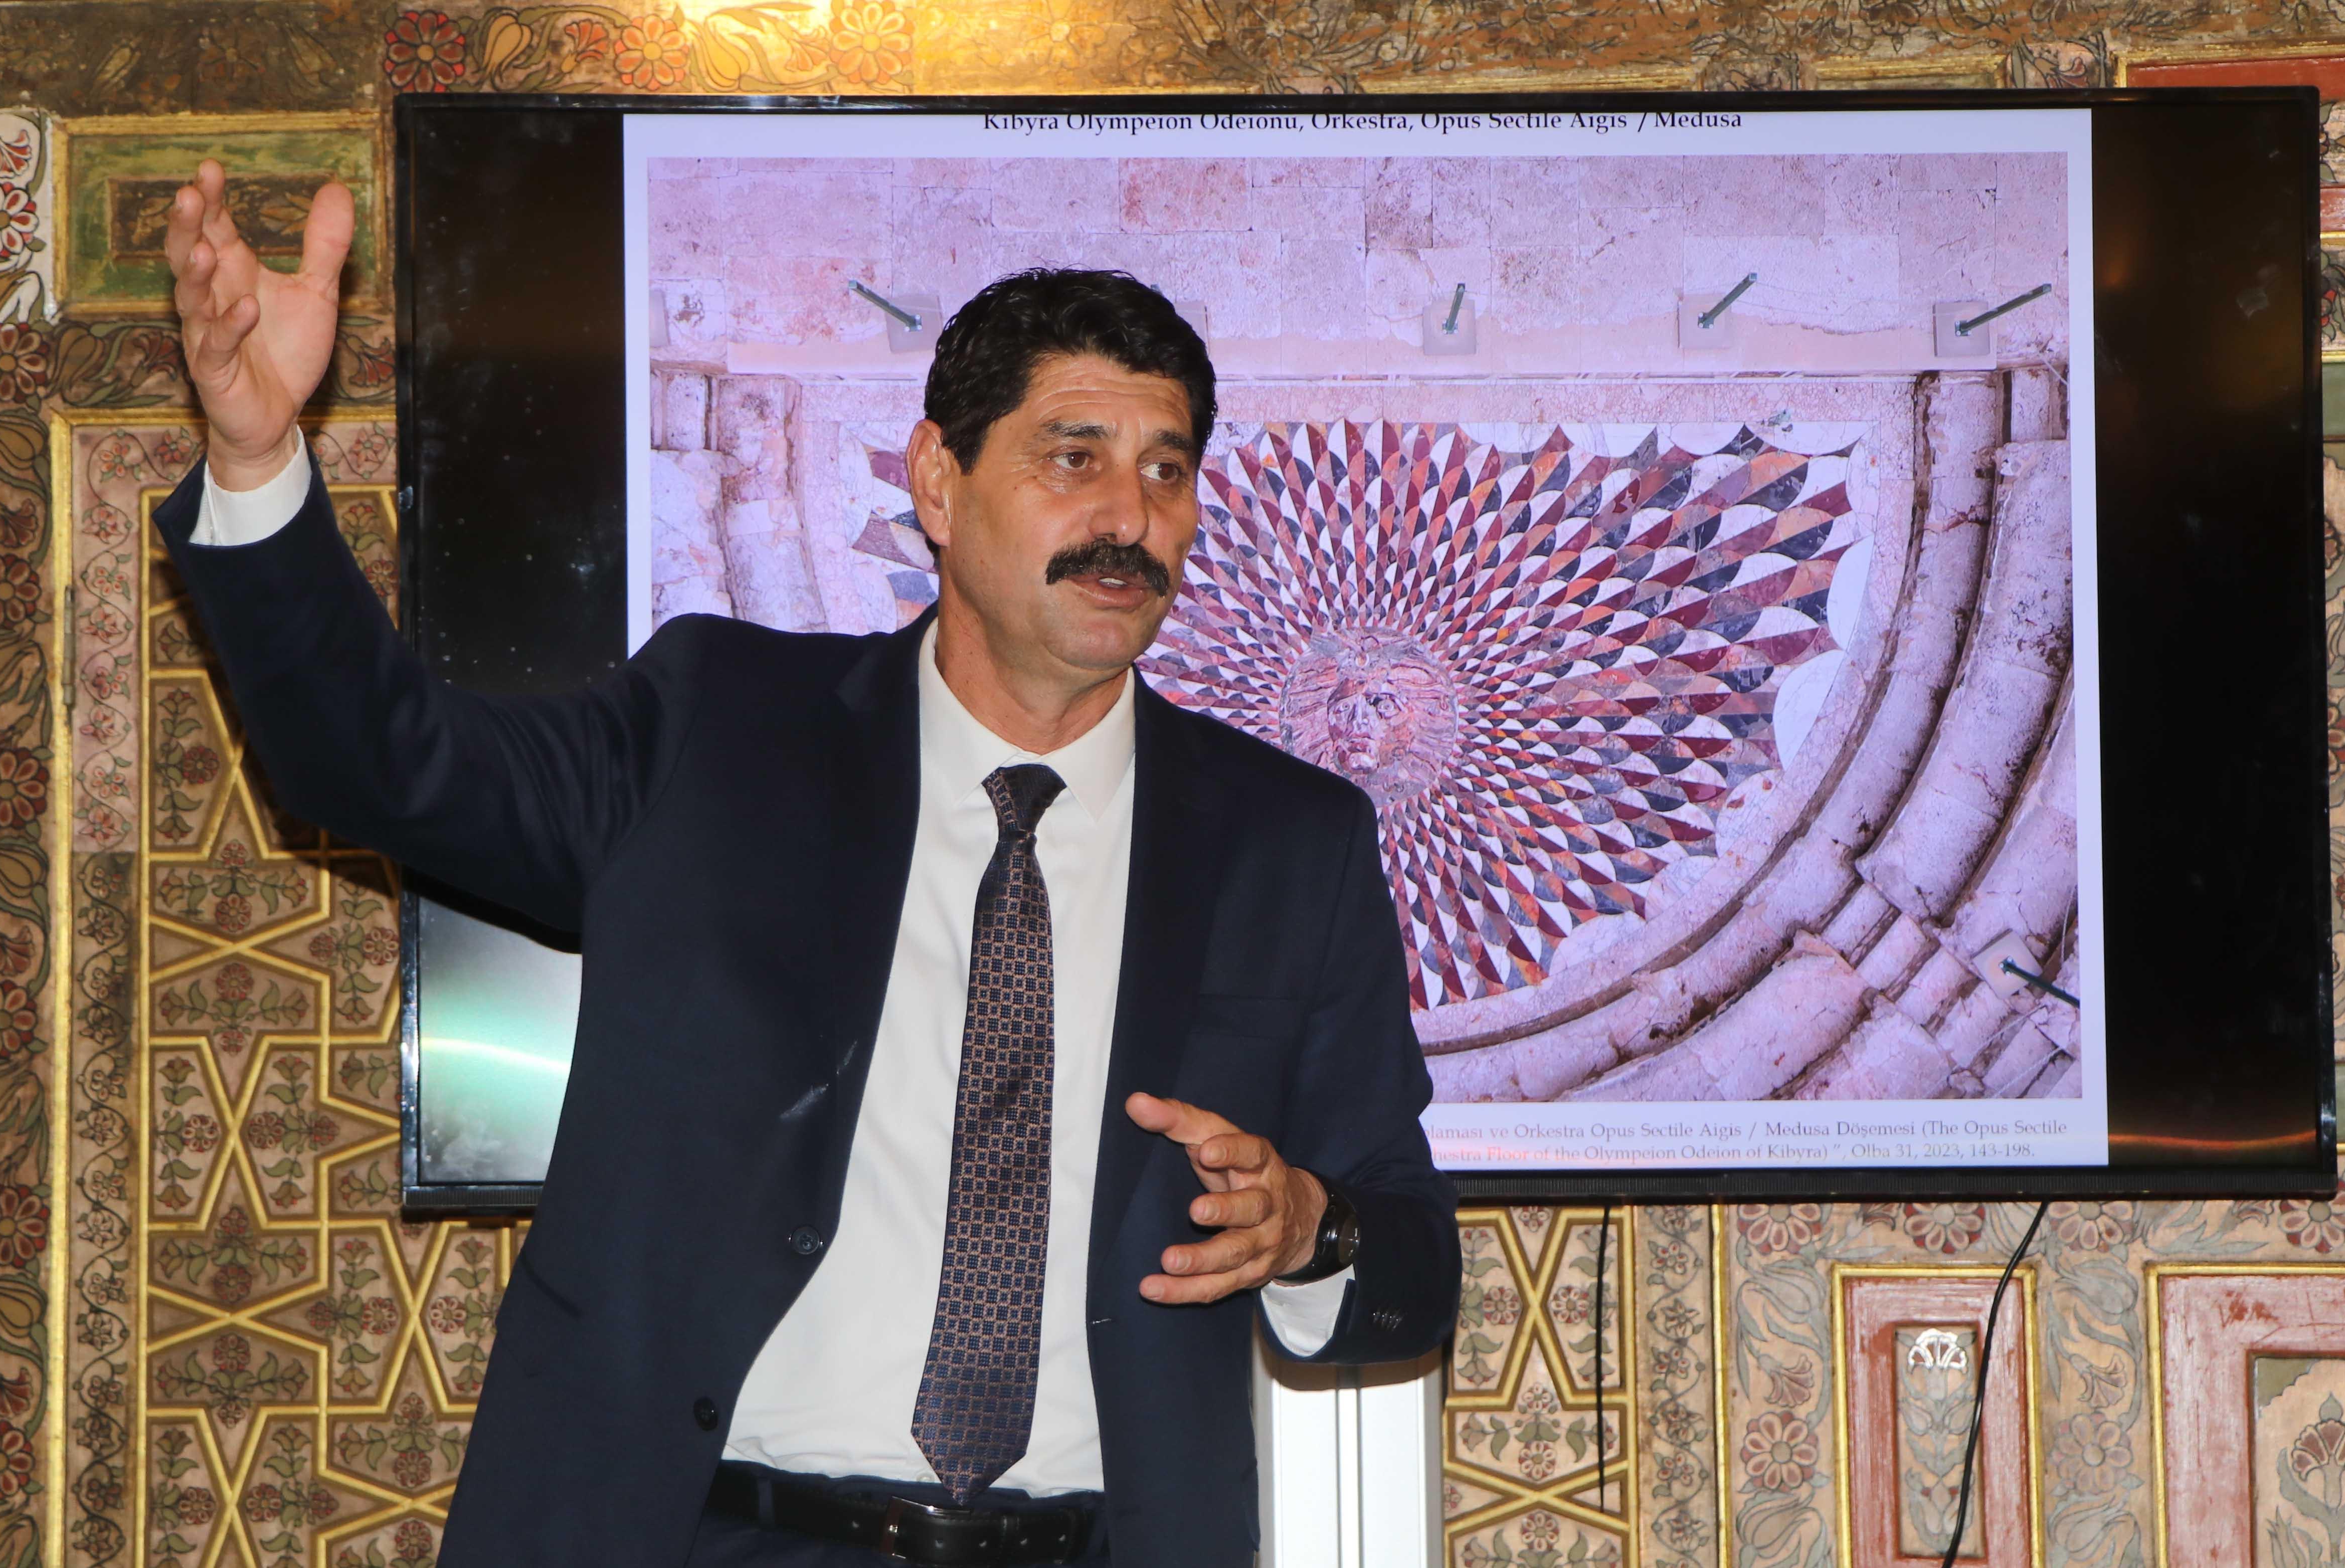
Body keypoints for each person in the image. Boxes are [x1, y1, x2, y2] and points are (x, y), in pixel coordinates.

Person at [154, 159, 1457, 1568]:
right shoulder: (718, 732)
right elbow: (383, 766)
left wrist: (1310, 1230)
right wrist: (257, 463)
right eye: (1073, 458)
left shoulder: (1288, 843)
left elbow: (1411, 1263)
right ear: (938, 482)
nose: (1129, 519)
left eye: (1166, 470)